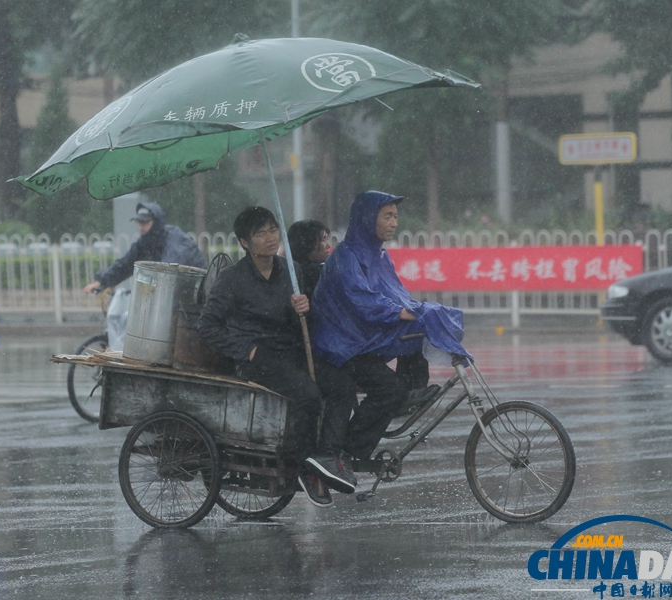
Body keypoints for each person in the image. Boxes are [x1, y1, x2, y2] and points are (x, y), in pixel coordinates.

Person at [198, 207, 358, 507]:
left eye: (273, 230)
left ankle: (326, 456)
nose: (270, 238)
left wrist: (303, 308)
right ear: (245, 242)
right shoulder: (233, 279)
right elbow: (207, 325)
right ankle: (304, 468)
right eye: (261, 234)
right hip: (259, 359)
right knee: (308, 395)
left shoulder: (291, 271)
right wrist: (248, 349)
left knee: (342, 386)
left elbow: (304, 317)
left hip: (293, 352)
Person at [310, 191, 471, 462]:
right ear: (366, 218)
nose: (394, 222)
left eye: (395, 216)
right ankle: (349, 452)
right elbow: (363, 299)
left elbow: (396, 294)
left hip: (365, 338)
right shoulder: (345, 256)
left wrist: (418, 312)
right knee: (388, 389)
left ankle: (409, 395)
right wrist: (402, 312)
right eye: (387, 216)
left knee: (419, 330)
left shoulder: (380, 256)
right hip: (341, 347)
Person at [82, 201, 206, 350]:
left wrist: (151, 288)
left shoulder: (174, 238)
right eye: (139, 223)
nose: (141, 227)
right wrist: (102, 281)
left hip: (191, 293)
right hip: (170, 292)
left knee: (170, 331)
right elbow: (125, 265)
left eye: (145, 223)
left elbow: (169, 268)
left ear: (156, 222)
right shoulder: (144, 242)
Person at [287, 219, 331, 299]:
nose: (328, 245)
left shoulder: (287, 269)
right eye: (322, 240)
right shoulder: (317, 274)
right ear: (307, 244)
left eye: (327, 239)